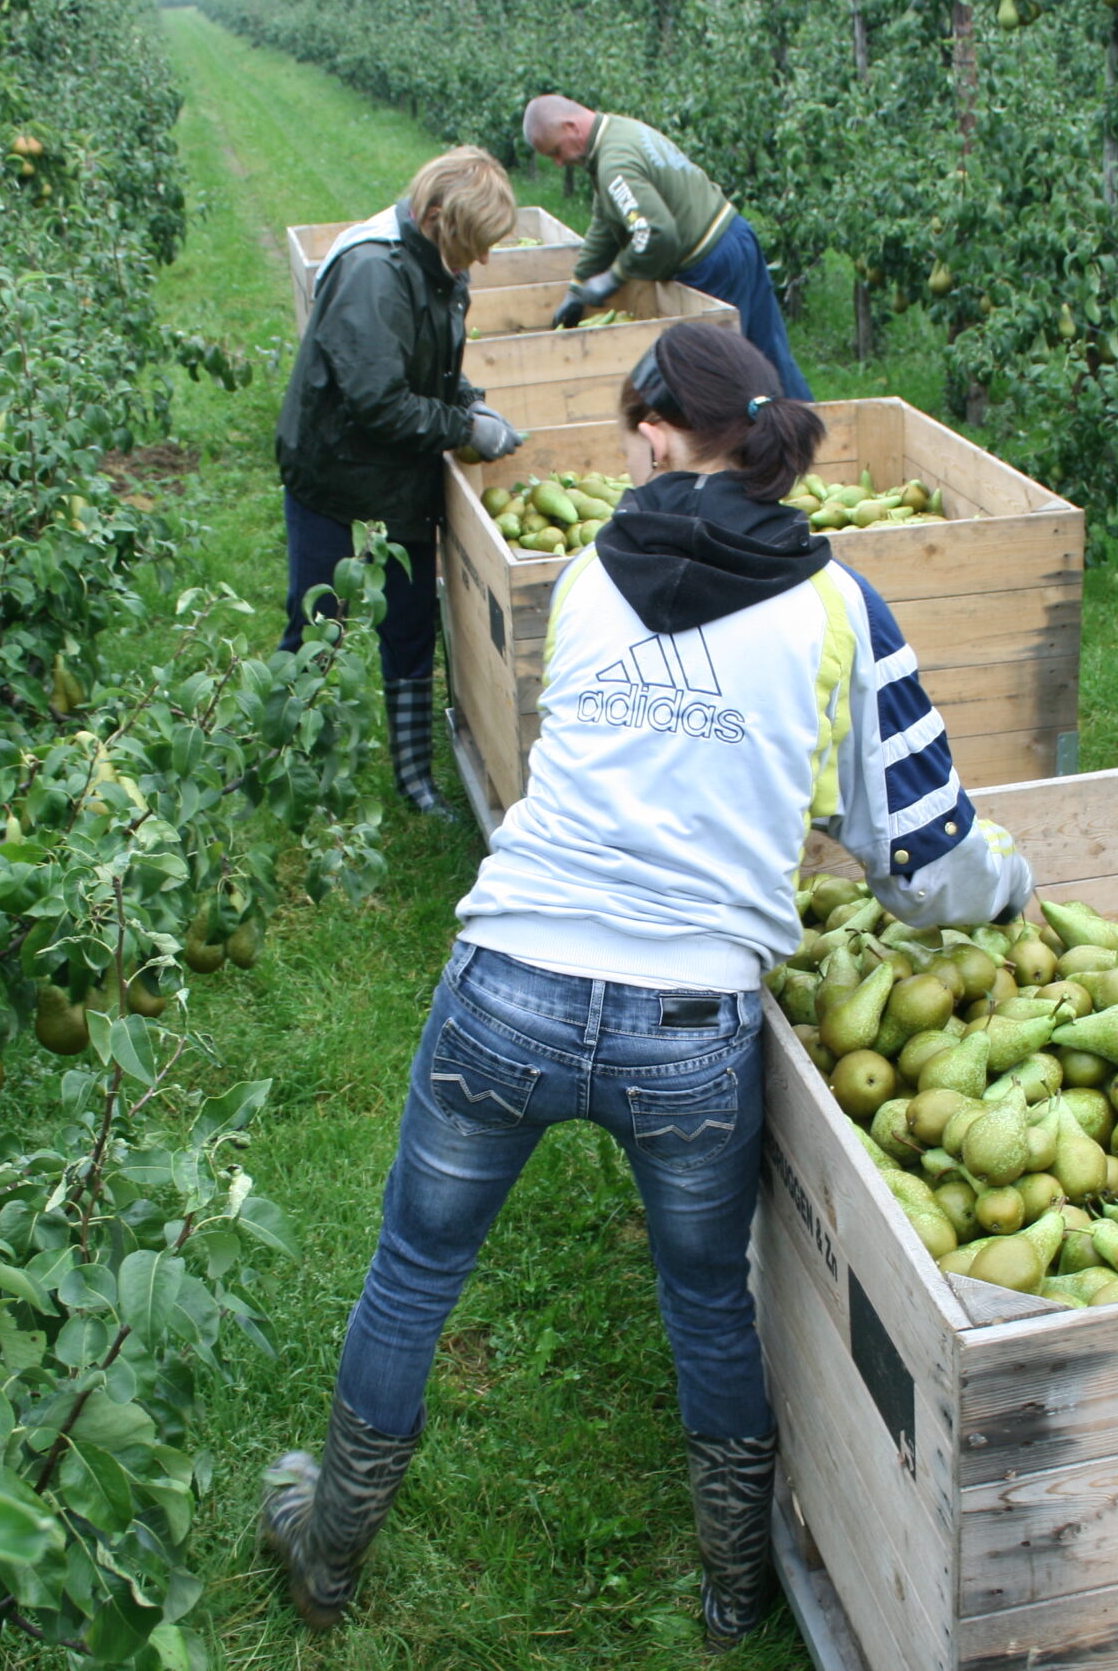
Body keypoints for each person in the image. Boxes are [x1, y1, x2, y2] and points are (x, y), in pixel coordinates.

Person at [259, 325, 1034, 1647]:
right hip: (690, 1023)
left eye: (633, 430)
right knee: (706, 1301)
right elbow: (919, 856)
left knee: (414, 1266)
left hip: (511, 979)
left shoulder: (591, 578)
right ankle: (737, 1586)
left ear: (661, 432)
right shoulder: (842, 607)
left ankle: (326, 1547)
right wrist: (1009, 886)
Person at [276, 146, 527, 814]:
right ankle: (280, 757)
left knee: (410, 620)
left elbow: (427, 366)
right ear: (437, 215)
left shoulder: (439, 265)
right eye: (471, 244)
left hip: (398, 472)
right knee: (319, 614)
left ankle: (414, 778)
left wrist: (466, 399)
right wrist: (462, 428)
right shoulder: (373, 273)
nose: (479, 261)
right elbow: (378, 400)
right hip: (336, 469)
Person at [522, 94, 814, 403]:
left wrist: (615, 277)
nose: (558, 162)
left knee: (723, 378)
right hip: (734, 233)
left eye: (556, 151)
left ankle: (760, 442)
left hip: (711, 261)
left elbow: (656, 235)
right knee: (769, 349)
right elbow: (606, 221)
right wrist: (578, 286)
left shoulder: (614, 164)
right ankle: (812, 433)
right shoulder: (619, 131)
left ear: (571, 127)